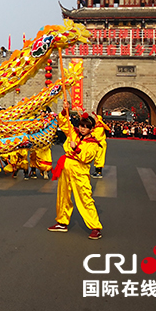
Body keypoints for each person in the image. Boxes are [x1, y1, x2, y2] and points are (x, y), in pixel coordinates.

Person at [47, 102, 103, 239]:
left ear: (91, 129)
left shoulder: (94, 144)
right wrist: (65, 110)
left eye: (86, 127)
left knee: (85, 198)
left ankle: (95, 226)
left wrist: (75, 148)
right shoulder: (73, 133)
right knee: (63, 196)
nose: (83, 129)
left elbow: (86, 158)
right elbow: (63, 123)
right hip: (66, 168)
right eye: (81, 126)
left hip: (80, 170)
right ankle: (62, 222)